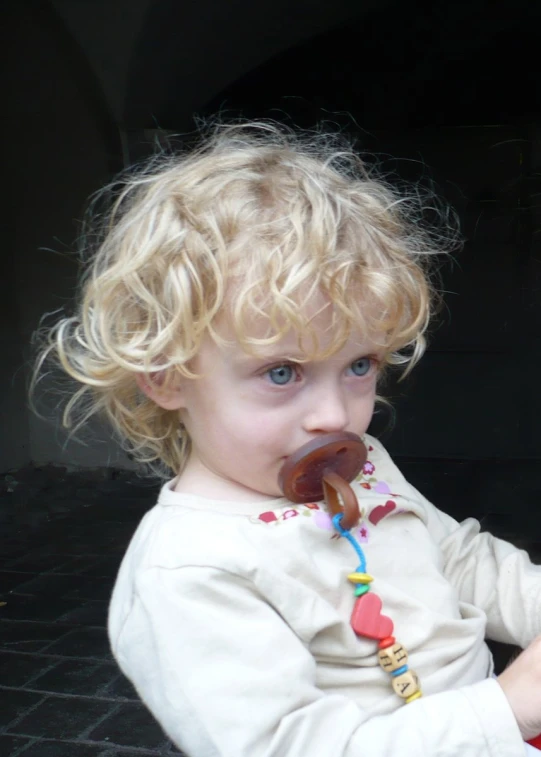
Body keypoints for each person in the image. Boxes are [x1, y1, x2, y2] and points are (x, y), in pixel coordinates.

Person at [34, 121, 541, 756]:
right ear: (166, 374)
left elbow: (457, 559)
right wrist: (507, 708)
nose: (335, 416)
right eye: (281, 372)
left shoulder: (364, 469)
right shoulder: (191, 570)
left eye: (360, 365)